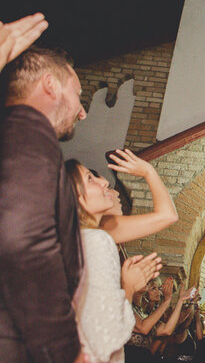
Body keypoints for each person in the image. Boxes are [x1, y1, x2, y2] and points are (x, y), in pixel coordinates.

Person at [0, 46, 86, 363]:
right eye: (77, 94)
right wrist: (65, 351)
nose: (82, 111)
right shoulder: (28, 132)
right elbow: (21, 238)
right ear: (50, 84)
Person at [65, 159, 162, 363]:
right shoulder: (96, 240)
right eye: (90, 179)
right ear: (74, 197)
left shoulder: (73, 241)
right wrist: (129, 287)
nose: (104, 184)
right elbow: (108, 336)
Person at [126, 277, 194, 362]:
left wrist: (180, 300)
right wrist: (166, 301)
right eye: (153, 288)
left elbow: (167, 330)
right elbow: (143, 328)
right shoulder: (125, 306)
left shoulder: (143, 314)